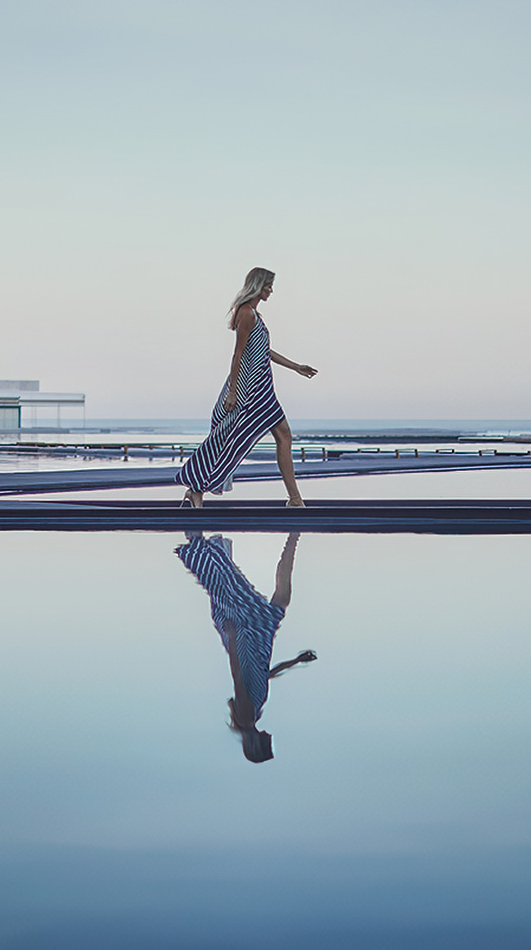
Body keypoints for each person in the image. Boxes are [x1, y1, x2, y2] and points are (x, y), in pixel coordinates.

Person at [176, 267, 318, 507]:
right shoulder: (246, 314)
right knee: (228, 438)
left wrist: (296, 367)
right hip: (249, 391)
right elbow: (238, 354)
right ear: (257, 285)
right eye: (268, 286)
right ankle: (195, 488)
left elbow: (264, 351)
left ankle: (295, 499)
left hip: (262, 389)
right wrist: (232, 392)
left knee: (283, 436)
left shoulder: (255, 315)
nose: (271, 290)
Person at [175, 531, 315, 763]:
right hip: (257, 639)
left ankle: (197, 537)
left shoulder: (246, 717)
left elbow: (238, 678)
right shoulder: (253, 716)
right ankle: (292, 538)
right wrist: (295, 662)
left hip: (245, 634)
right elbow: (263, 675)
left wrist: (231, 637)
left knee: (228, 583)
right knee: (278, 599)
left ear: (258, 744)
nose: (271, 740)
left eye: (268, 745)